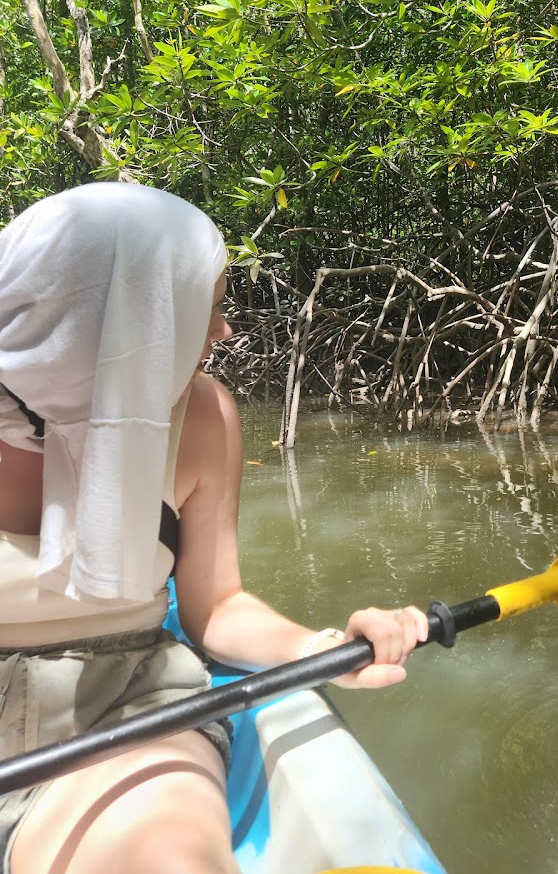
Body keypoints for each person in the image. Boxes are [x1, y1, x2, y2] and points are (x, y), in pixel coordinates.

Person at [0, 182, 429, 874]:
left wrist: (325, 646)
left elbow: (215, 606)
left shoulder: (202, 417)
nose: (224, 331)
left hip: (121, 717)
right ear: (123, 318)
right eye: (210, 305)